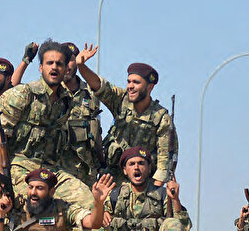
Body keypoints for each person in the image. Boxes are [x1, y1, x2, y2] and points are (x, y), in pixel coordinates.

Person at [0, 40, 94, 209]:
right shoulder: (23, 94)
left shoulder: (66, 101)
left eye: (59, 64)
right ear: (41, 68)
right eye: (49, 63)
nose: (54, 67)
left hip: (51, 170)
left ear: (65, 69)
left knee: (90, 202)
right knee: (41, 203)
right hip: (20, 168)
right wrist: (3, 179)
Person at [74, 44, 177, 185]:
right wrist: (81, 66)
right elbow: (98, 84)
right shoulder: (121, 100)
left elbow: (164, 163)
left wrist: (153, 195)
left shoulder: (161, 118)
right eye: (129, 82)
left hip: (143, 184)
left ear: (150, 87)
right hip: (113, 179)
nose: (130, 86)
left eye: (136, 82)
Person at [62, 42, 102, 184]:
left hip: (87, 172)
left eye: (71, 60)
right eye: (63, 60)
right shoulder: (50, 93)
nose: (67, 65)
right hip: (59, 170)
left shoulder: (92, 92)